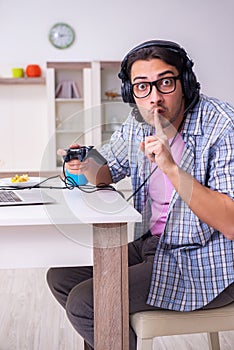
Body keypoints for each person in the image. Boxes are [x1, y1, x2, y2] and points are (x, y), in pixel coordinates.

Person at [46, 40, 234, 349]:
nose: (155, 98)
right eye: (142, 87)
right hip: (151, 245)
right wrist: (83, 164)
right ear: (131, 92)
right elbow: (109, 170)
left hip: (206, 262)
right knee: (62, 277)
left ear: (185, 82)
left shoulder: (222, 126)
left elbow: (230, 222)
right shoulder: (139, 122)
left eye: (166, 82)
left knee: (86, 303)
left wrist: (172, 169)